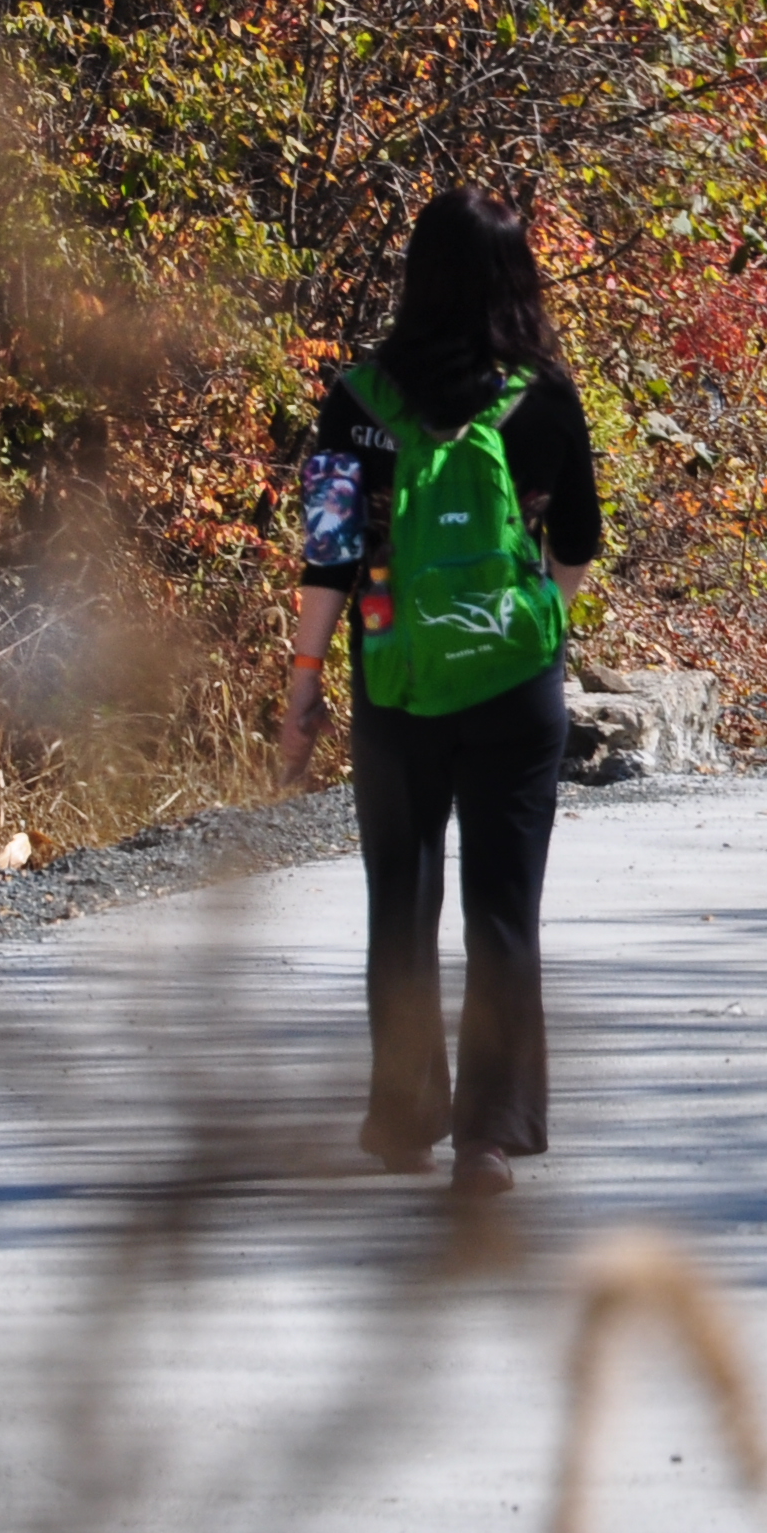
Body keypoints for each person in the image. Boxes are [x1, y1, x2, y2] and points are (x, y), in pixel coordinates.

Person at [277, 188, 603, 1198]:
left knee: (401, 899)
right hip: (516, 689)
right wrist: (532, 626)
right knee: (503, 911)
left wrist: (303, 686)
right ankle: (490, 1138)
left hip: (395, 678)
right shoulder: (546, 397)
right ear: (519, 277)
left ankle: (405, 1119)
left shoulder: (357, 399)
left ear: (417, 276)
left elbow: (328, 553)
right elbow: (579, 548)